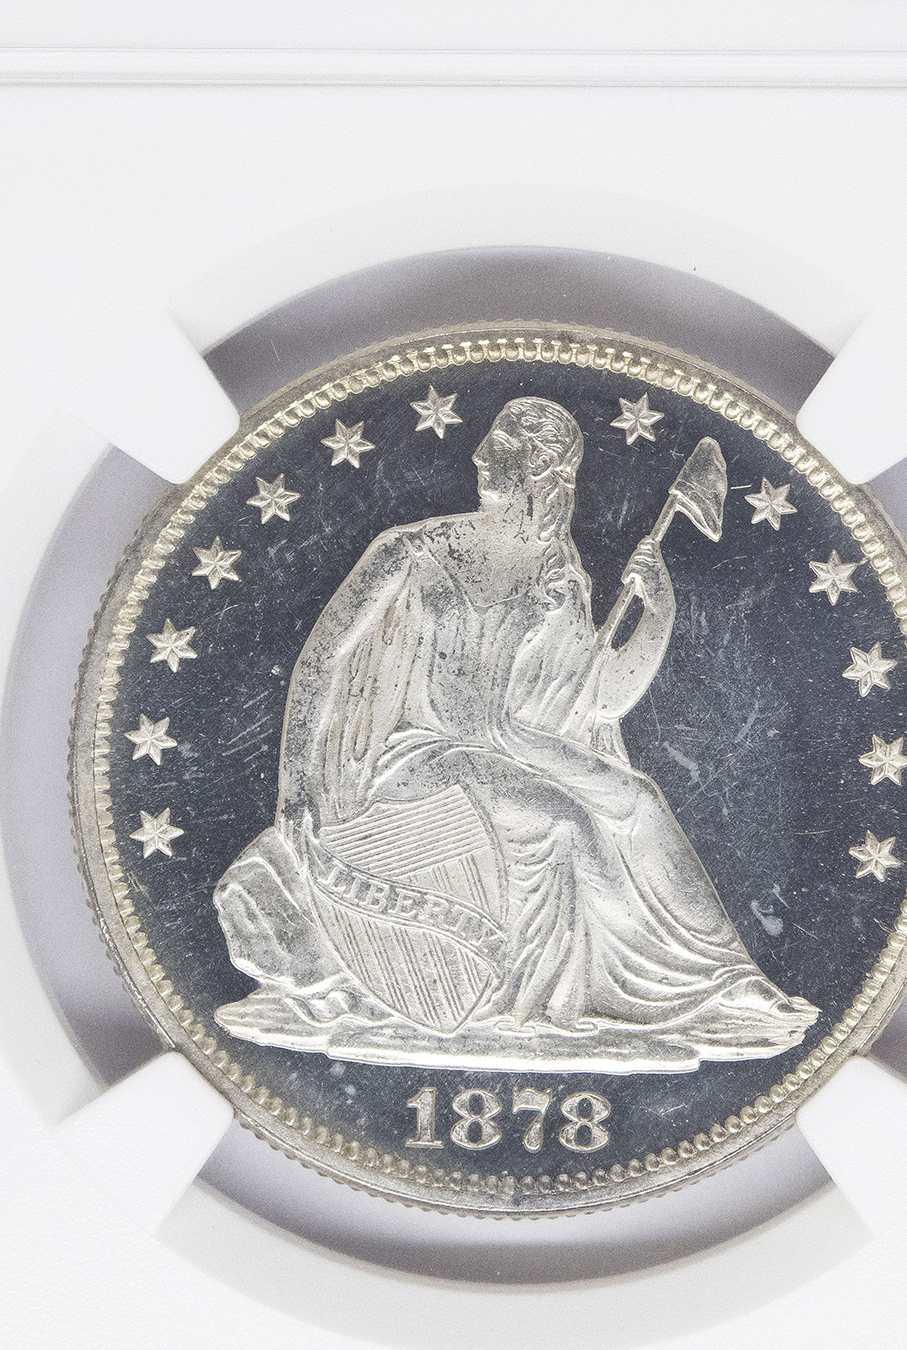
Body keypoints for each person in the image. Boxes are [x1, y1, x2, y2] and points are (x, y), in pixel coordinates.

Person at [212, 395, 819, 1068]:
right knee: (565, 820)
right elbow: (322, 660)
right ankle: (549, 1005)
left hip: (508, 742)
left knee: (639, 799)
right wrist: (296, 784)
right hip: (418, 754)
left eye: (500, 445)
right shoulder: (410, 550)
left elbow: (603, 699)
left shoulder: (556, 570)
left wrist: (658, 612)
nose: (478, 455)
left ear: (542, 470)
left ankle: (723, 982)